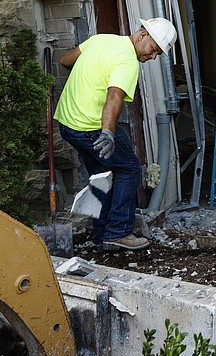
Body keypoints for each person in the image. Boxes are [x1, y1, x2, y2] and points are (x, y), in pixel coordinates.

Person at [55, 18, 177, 251]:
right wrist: (108, 133)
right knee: (129, 169)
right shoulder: (127, 61)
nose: (153, 57)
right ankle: (118, 232)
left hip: (68, 125)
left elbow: (65, 60)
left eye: (158, 55)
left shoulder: (102, 40)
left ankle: (103, 234)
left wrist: (88, 71)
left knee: (102, 174)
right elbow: (114, 97)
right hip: (91, 126)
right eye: (153, 50)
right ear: (142, 36)